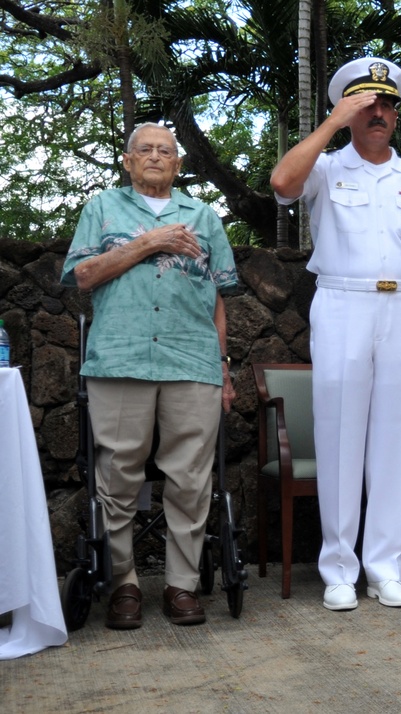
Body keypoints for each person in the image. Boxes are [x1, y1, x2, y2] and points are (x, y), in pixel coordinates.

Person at [270, 57, 401, 610]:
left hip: (400, 307)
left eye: (388, 104)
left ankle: (385, 567)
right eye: (368, 104)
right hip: (343, 301)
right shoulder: (325, 167)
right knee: (340, 435)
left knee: (394, 439)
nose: (379, 113)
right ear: (349, 110)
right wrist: (330, 122)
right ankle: (339, 569)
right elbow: (281, 183)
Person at [61, 122, 238, 629]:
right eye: (146, 150)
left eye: (167, 151)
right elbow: (83, 276)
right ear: (128, 159)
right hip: (120, 357)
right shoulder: (102, 209)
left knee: (189, 478)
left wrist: (224, 367)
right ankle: (124, 585)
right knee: (118, 477)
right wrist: (149, 243)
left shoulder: (202, 216)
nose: (157, 156)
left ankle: (182, 586)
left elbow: (218, 297)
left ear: (178, 164)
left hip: (192, 359)